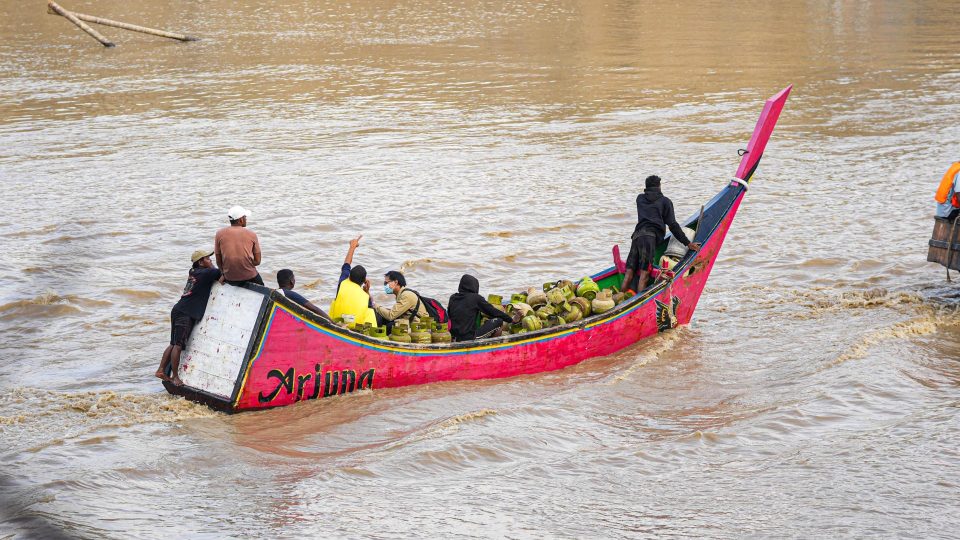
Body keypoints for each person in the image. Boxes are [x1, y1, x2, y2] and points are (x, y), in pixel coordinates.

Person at [622, 175, 702, 293]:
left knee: (629, 272)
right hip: (649, 239)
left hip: (637, 236)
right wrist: (688, 243)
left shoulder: (640, 199)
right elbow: (673, 225)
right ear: (659, 186)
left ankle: (619, 298)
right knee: (645, 275)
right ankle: (640, 302)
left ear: (646, 187)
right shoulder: (665, 202)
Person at [156, 249, 222, 386]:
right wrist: (211, 267)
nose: (210, 261)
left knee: (173, 343)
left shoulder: (193, 272)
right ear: (201, 262)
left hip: (178, 309)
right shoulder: (207, 273)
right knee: (178, 346)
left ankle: (161, 370)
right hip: (186, 312)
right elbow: (220, 272)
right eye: (207, 259)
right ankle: (175, 377)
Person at [447, 274, 519, 341]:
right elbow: (493, 312)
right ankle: (491, 345)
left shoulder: (453, 298)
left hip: (453, 336)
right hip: (470, 337)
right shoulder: (476, 298)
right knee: (498, 320)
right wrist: (511, 320)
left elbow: (449, 315)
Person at [329, 236, 376, 325]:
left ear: (349, 276)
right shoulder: (365, 297)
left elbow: (346, 264)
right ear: (363, 282)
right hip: (356, 327)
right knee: (371, 311)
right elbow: (371, 310)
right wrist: (367, 292)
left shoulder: (342, 283)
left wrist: (352, 247)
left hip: (336, 322)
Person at [214, 206, 263, 286]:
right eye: (245, 217)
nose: (246, 219)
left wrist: (224, 274)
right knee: (262, 286)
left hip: (229, 278)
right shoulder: (252, 234)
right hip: (250, 276)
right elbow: (258, 261)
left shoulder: (219, 234)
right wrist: (245, 264)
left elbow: (218, 261)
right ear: (241, 219)